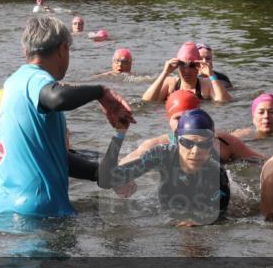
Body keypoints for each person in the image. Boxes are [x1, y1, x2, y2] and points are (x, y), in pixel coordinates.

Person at [0, 16, 134, 218]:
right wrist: (100, 92)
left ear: (26, 52)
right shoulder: (35, 78)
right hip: (40, 211)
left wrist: (99, 173)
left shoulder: (13, 83)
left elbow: (50, 155)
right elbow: (57, 98)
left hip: (4, 208)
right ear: (62, 49)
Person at [99, 109, 231, 226]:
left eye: (203, 144)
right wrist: (120, 133)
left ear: (211, 145)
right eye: (187, 143)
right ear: (177, 140)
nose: (195, 151)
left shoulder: (217, 173)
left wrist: (200, 223)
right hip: (165, 209)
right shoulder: (162, 154)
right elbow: (107, 177)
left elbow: (220, 214)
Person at [121, 90, 263, 166]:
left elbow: (262, 161)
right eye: (177, 118)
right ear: (168, 119)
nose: (185, 124)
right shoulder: (158, 146)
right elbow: (123, 165)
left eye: (189, 116)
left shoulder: (224, 143)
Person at [142, 41, 232, 103]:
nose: (187, 70)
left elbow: (223, 101)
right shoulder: (171, 83)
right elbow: (147, 101)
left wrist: (211, 74)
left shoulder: (207, 85)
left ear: (198, 67)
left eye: (192, 65)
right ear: (177, 65)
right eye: (182, 65)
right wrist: (165, 72)